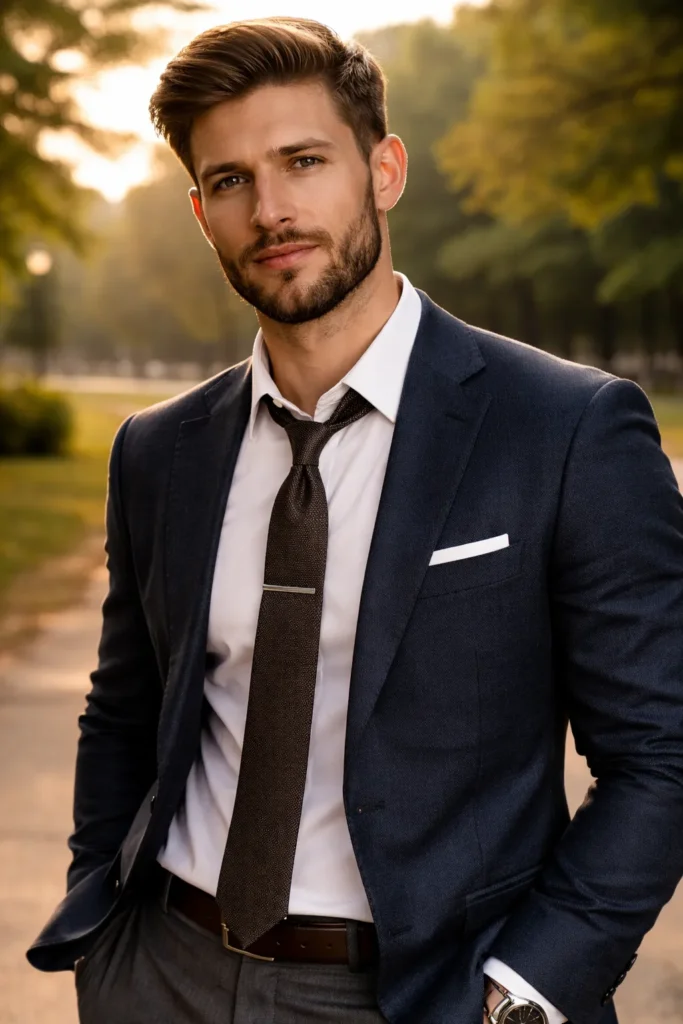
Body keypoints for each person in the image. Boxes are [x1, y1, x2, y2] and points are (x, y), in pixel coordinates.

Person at [27, 16, 683, 1024]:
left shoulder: (560, 428)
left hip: (425, 995)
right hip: (164, 972)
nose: (272, 209)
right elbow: (124, 710)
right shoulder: (158, 452)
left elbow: (659, 749)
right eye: (233, 179)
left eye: (303, 161)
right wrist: (106, 939)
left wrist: (524, 991)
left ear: (383, 170)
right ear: (200, 213)